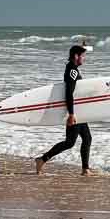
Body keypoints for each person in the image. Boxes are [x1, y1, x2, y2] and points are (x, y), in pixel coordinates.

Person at [35, 45, 93, 176]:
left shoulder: (73, 69)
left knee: (85, 139)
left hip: (77, 110)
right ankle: (42, 159)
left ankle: (85, 169)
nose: (84, 59)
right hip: (74, 111)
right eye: (83, 56)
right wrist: (71, 114)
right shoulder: (72, 71)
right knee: (70, 142)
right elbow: (69, 94)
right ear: (76, 56)